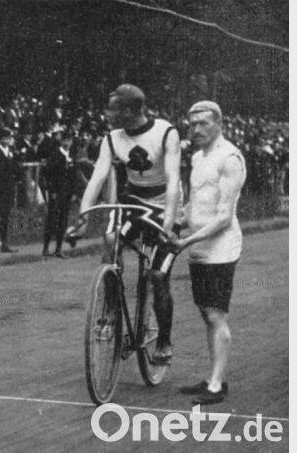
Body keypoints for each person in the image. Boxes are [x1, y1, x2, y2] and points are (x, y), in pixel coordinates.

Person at [71, 84, 181, 364]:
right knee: (111, 239)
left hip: (165, 205)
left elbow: (172, 181)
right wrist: (83, 216)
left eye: (113, 109)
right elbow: (97, 177)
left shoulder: (166, 132)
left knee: (157, 276)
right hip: (134, 201)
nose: (107, 114)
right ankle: (109, 311)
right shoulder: (112, 138)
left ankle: (164, 341)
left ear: (130, 110)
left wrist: (168, 224)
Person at [172, 101, 246, 405]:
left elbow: (224, 217)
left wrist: (186, 240)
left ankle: (216, 385)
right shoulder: (198, 156)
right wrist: (178, 222)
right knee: (207, 313)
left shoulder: (230, 158)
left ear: (219, 123)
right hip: (200, 246)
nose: (196, 129)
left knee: (216, 314)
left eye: (203, 123)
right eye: (192, 124)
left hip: (222, 248)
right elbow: (196, 204)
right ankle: (212, 377)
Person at [41, 130, 78, 258]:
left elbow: (74, 175)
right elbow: (49, 174)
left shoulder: (71, 155)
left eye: (69, 140)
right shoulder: (55, 154)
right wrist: (52, 191)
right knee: (52, 219)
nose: (67, 143)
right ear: (61, 141)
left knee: (63, 220)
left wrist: (74, 192)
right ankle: (45, 248)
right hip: (57, 192)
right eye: (64, 140)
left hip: (67, 192)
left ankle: (58, 248)